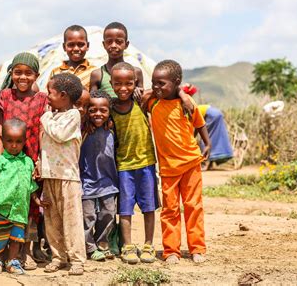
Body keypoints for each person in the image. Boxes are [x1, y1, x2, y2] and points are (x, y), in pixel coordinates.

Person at [146, 60, 211, 264]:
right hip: (167, 168)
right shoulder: (152, 102)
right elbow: (141, 93)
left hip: (191, 163)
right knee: (170, 210)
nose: (157, 87)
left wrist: (207, 144)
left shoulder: (187, 104)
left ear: (176, 82)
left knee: (193, 206)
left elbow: (200, 124)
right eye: (154, 82)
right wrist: (180, 91)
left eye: (162, 83)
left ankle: (197, 248)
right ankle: (171, 250)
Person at [0, 52, 48, 269]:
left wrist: (40, 161)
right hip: (9, 157)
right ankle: (5, 249)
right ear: (11, 74)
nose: (23, 77)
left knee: (29, 206)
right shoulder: (5, 96)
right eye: (18, 72)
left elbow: (42, 131)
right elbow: (0, 126)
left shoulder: (42, 98)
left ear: (36, 75)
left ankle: (25, 252)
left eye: (28, 73)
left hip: (31, 157)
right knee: (7, 201)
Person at [0, 119, 47, 274]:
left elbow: (30, 186)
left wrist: (38, 201)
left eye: (18, 141)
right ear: (2, 140)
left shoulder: (28, 162)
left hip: (19, 210)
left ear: (24, 141)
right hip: (0, 208)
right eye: (9, 141)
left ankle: (12, 262)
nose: (14, 145)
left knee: (16, 238)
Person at [109, 62, 158, 264]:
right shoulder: (110, 107)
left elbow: (164, 88)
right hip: (124, 166)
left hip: (146, 163)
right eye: (118, 83)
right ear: (111, 84)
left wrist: (183, 95)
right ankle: (127, 246)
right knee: (125, 209)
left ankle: (148, 244)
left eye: (129, 83)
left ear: (135, 83)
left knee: (149, 206)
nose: (123, 88)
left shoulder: (142, 101)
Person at [40, 73, 86, 275]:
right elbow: (46, 145)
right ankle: (59, 257)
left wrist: (45, 116)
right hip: (50, 175)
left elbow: (59, 135)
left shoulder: (73, 115)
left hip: (68, 177)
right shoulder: (52, 116)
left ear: (64, 95)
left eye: (51, 92)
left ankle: (77, 260)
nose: (47, 96)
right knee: (52, 221)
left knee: (72, 220)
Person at [80, 90, 119, 261]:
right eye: (92, 110)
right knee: (88, 216)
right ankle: (89, 247)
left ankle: (101, 242)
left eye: (103, 110)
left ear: (109, 111)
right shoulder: (83, 131)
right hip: (86, 182)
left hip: (108, 182)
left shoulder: (112, 131)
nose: (98, 114)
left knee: (108, 213)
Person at [89, 22, 143, 101]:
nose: (113, 45)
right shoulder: (97, 74)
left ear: (126, 44)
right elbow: (93, 101)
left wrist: (137, 92)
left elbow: (142, 100)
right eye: (109, 42)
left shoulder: (136, 72)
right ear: (104, 44)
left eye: (119, 42)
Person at [50, 25, 96, 89]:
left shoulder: (94, 72)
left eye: (80, 44)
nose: (76, 49)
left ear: (87, 46)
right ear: (64, 47)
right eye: (71, 45)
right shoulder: (55, 72)